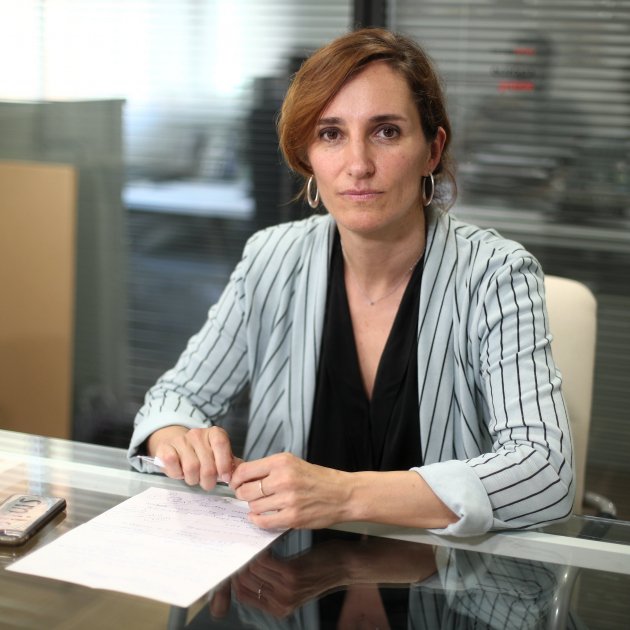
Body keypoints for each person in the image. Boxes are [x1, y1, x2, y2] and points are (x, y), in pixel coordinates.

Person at [128, 27, 574, 537]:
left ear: (432, 151)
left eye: (386, 132)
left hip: (443, 573)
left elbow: (545, 471)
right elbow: (174, 398)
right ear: (307, 158)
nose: (358, 165)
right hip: (285, 570)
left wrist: (343, 495)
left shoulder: (495, 274)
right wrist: (178, 438)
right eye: (331, 134)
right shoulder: (272, 258)